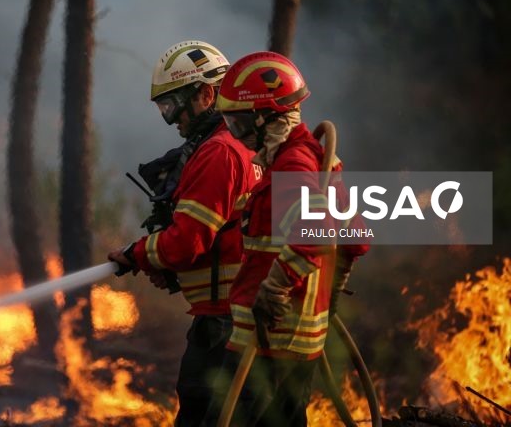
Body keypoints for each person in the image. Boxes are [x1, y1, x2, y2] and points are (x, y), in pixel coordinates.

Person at [205, 51, 370, 426]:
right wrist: (332, 290)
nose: (236, 133)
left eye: (238, 121)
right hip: (294, 337)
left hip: (272, 337)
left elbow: (315, 236)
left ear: (265, 117)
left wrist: (275, 290)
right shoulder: (316, 155)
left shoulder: (294, 163)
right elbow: (355, 238)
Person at [107, 40, 260, 426]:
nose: (172, 119)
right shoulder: (238, 145)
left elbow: (190, 239)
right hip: (239, 319)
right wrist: (174, 269)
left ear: (207, 94)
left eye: (173, 104)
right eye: (164, 108)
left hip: (224, 325)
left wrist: (138, 253)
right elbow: (221, 236)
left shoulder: (219, 153)